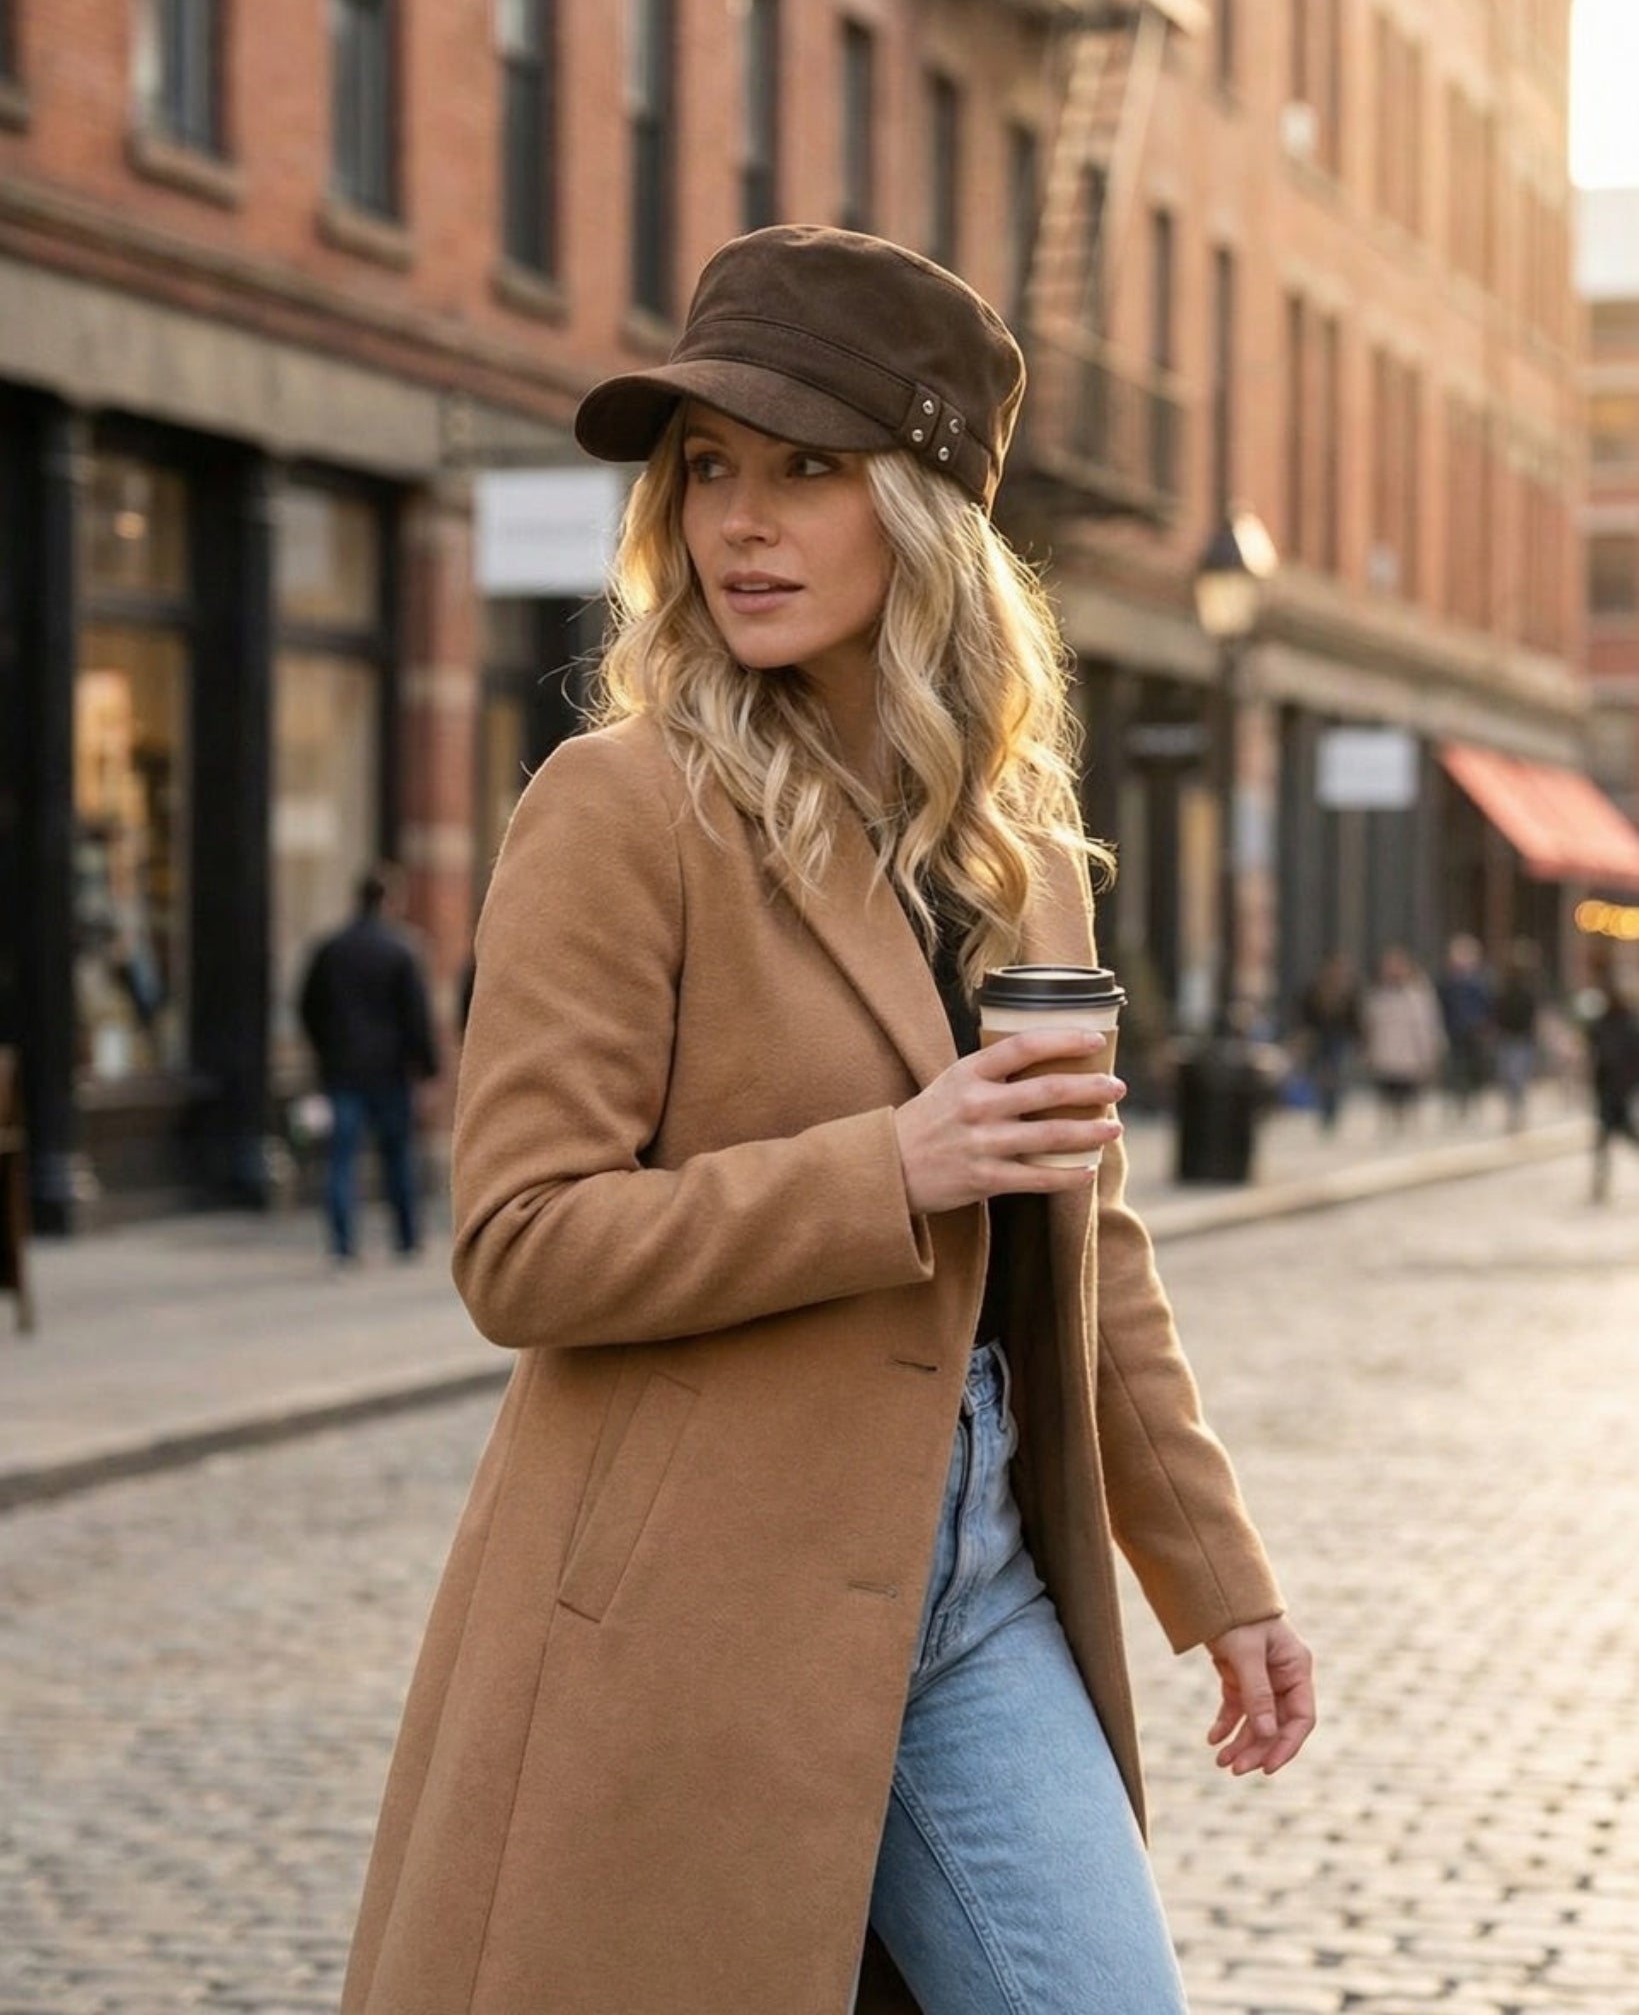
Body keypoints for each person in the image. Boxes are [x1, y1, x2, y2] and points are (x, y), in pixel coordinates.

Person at [340, 226, 1316, 2015]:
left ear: (923, 513)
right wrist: (889, 1166)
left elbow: (1084, 1233)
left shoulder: (1020, 857)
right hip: (681, 1599)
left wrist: (1215, 1574)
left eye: (804, 469)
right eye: (708, 468)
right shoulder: (619, 807)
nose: (739, 522)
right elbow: (517, 1242)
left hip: (979, 1579)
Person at [297, 866, 440, 1264]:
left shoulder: (331, 949)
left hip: (343, 1069)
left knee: (342, 1159)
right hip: (390, 1070)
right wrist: (426, 1069)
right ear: (390, 902)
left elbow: (308, 1007)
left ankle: (343, 1244)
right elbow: (416, 1017)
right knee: (397, 1155)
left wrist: (324, 1051)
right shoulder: (401, 950)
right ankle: (406, 1237)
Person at [1361, 945, 1445, 1131]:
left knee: (1409, 1094)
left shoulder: (1418, 997)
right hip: (1385, 1055)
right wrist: (1367, 1050)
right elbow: (1369, 1026)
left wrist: (1430, 1053)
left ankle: (1407, 1124)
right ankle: (1390, 1124)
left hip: (1409, 1057)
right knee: (1388, 1094)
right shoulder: (1377, 997)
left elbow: (1427, 1027)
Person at [1296, 952, 1362, 1133]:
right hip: (1318, 1038)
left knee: (1335, 1074)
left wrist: (1358, 1039)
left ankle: (1332, 1111)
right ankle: (1324, 1110)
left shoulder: (1348, 991)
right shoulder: (1315, 990)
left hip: (1339, 1038)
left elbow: (1354, 1018)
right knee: (1321, 1075)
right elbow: (1305, 1014)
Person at [1585, 981, 1639, 1203]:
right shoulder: (1608, 1025)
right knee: (1609, 1137)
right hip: (1610, 1090)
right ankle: (1599, 1181)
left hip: (1616, 1090)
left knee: (1615, 1135)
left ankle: (1599, 1181)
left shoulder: (1628, 1026)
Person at [1435, 932, 1494, 1119]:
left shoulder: (1479, 982)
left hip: (1474, 1031)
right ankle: (1457, 1102)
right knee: (1456, 1068)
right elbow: (1441, 1007)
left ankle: (1473, 1100)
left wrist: (1484, 1025)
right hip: (1454, 1031)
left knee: (1474, 1067)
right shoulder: (1447, 982)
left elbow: (1487, 1005)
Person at [1493, 937, 1542, 1131]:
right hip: (1509, 1037)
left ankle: (1518, 1110)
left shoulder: (1530, 987)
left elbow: (1533, 1012)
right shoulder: (1505, 987)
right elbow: (1499, 1009)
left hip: (1522, 1038)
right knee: (1509, 1076)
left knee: (1517, 1076)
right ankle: (1513, 1110)